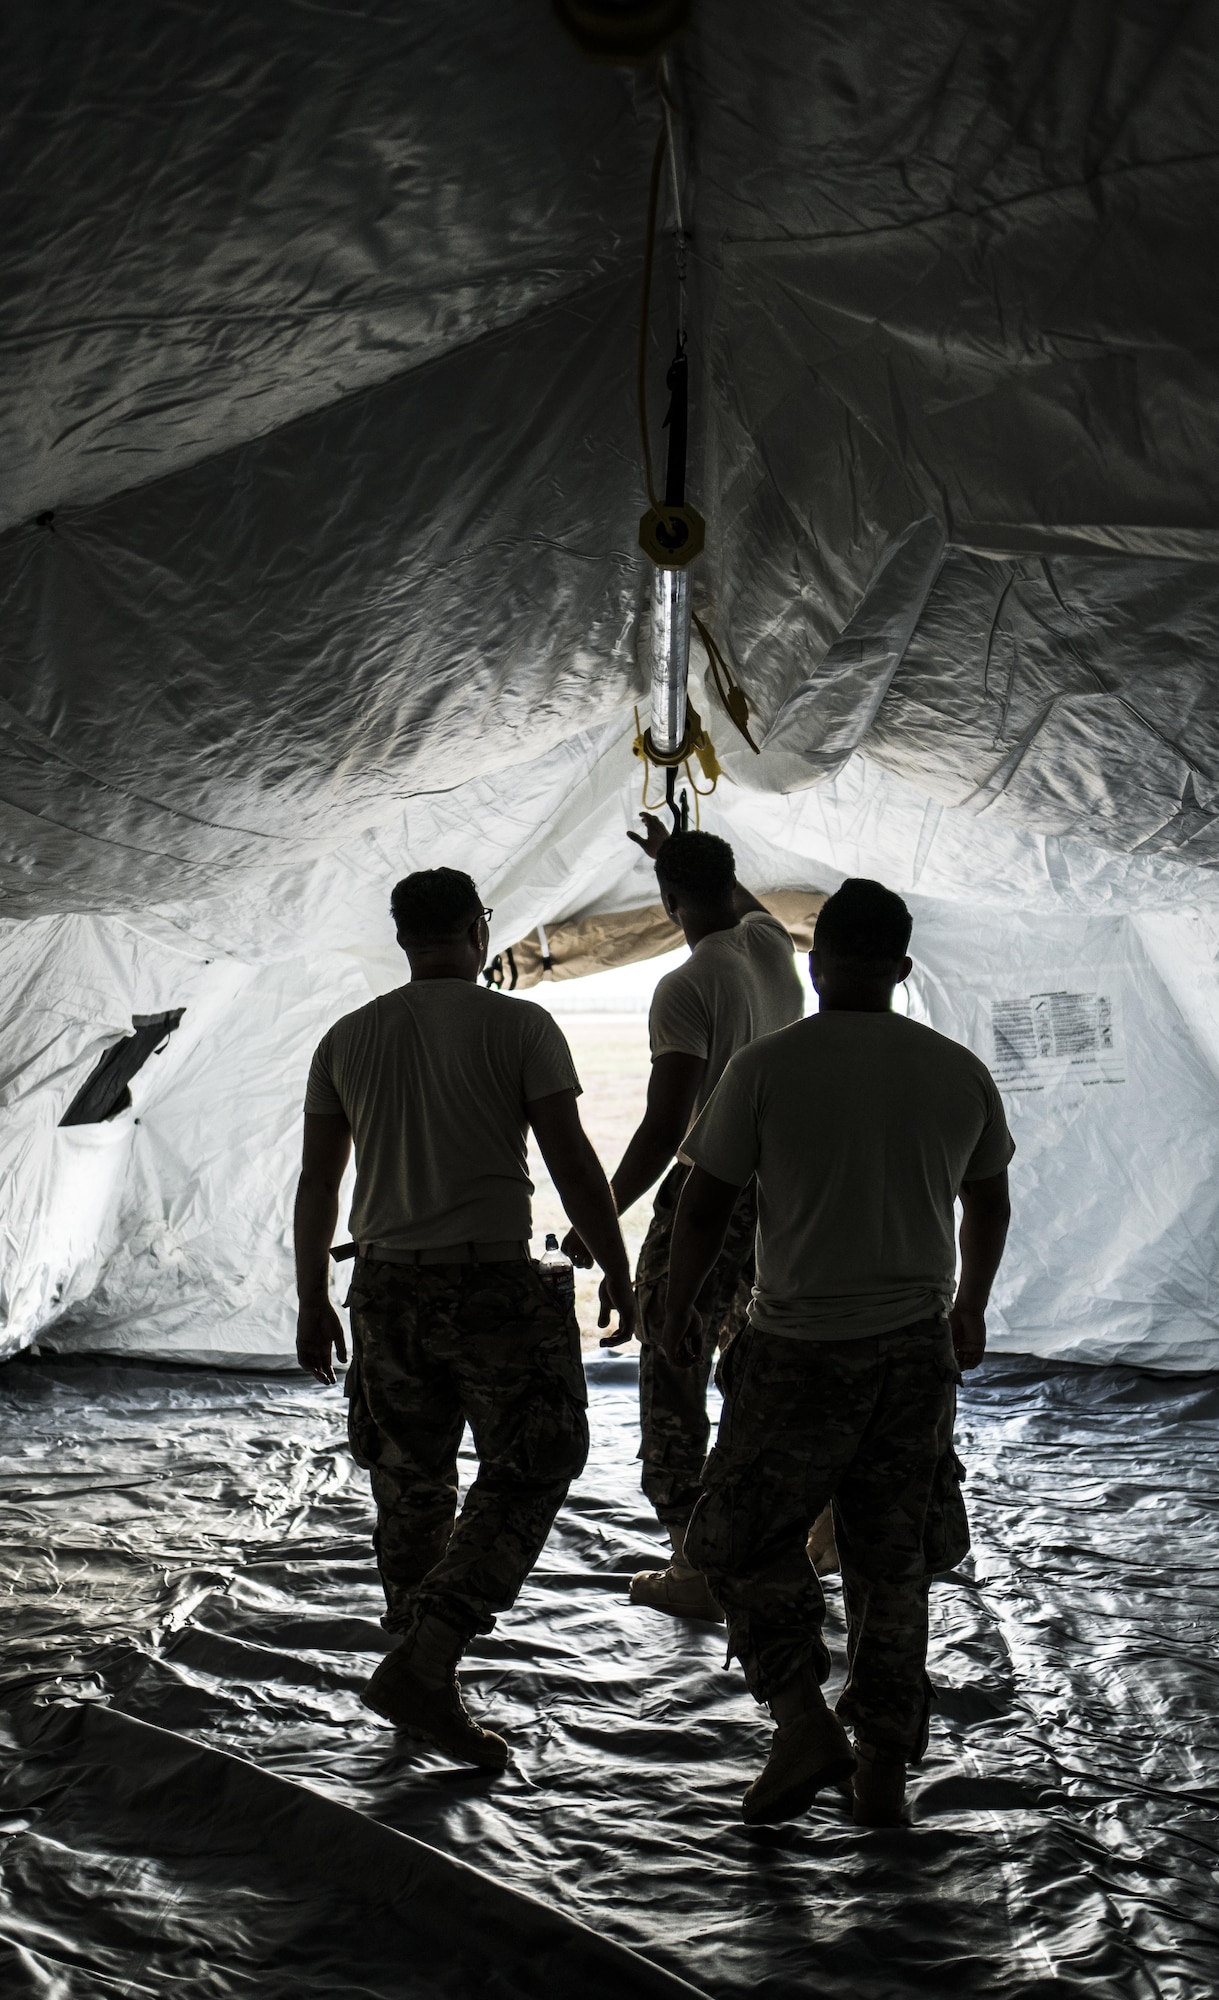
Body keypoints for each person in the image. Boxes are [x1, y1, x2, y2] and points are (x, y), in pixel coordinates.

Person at [662, 878, 1013, 1828]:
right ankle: (883, 1773)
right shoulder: (954, 1070)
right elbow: (988, 1196)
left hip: (797, 1348)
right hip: (912, 1352)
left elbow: (703, 1205)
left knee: (733, 1541)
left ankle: (801, 1721)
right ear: (900, 968)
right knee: (887, 1559)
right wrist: (968, 1306)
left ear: (814, 966)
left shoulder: (770, 1066)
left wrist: (678, 1314)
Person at [294, 867, 634, 1772]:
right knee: (537, 1461)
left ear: (403, 937)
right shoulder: (518, 1025)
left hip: (385, 1290)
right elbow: (570, 1161)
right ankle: (430, 1657)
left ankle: (420, 1680)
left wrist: (309, 1300)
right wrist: (621, 1266)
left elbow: (319, 1185)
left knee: (409, 1490)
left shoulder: (348, 1038)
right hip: (492, 1292)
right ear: (478, 931)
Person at [563, 813, 805, 1622]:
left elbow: (666, 1128)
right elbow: (735, 897)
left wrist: (596, 1217)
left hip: (711, 1192)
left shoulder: (686, 985)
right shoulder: (772, 946)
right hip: (779, 1197)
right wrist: (677, 854)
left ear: (667, 903)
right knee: (754, 1365)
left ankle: (695, 1564)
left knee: (672, 1363)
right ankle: (802, 1534)